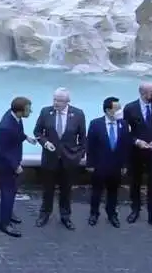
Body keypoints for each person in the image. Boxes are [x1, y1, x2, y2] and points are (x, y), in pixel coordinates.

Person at [33, 87, 87, 229]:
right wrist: (45, 143)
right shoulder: (46, 112)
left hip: (69, 159)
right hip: (50, 159)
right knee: (47, 189)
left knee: (66, 190)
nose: (56, 103)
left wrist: (79, 156)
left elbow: (83, 138)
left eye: (60, 100)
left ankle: (65, 216)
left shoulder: (78, 114)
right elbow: (37, 131)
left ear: (67, 101)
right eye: (54, 99)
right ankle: (44, 214)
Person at [122, 82, 152, 232]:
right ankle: (135, 210)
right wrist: (136, 141)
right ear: (143, 93)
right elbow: (124, 131)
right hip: (136, 152)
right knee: (135, 182)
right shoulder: (130, 108)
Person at [86, 97, 130, 228]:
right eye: (117, 109)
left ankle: (112, 214)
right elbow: (90, 145)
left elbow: (126, 146)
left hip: (116, 166)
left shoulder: (124, 124)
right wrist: (90, 164)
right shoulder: (95, 124)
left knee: (113, 192)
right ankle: (94, 214)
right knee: (96, 191)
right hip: (99, 165)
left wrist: (125, 164)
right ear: (108, 110)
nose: (120, 111)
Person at [0, 97, 36, 238]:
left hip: (11, 161)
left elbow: (16, 133)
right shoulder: (6, 126)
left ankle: (8, 213)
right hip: (6, 165)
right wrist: (15, 165)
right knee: (8, 194)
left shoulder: (14, 117)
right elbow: (4, 150)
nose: (30, 111)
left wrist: (26, 137)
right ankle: (4, 224)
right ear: (20, 111)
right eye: (28, 109)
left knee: (11, 192)